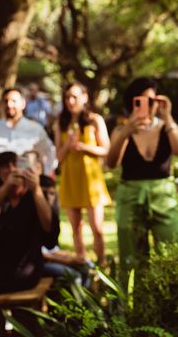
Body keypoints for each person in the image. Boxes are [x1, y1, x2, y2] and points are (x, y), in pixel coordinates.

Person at [105, 77, 178, 279]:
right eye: (139, 101)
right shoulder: (120, 130)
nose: (146, 106)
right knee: (132, 259)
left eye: (151, 101)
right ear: (131, 103)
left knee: (174, 252)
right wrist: (127, 130)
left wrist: (168, 117)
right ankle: (135, 307)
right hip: (130, 196)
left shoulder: (166, 128)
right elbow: (112, 162)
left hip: (164, 197)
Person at [0, 151, 60, 296]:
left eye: (15, 165)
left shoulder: (35, 197)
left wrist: (36, 189)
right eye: (5, 166)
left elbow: (49, 229)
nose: (12, 170)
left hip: (24, 271)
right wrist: (6, 187)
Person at [54, 82, 111, 266]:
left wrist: (84, 147)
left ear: (85, 97)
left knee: (97, 228)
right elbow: (59, 157)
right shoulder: (61, 124)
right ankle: (83, 263)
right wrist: (69, 145)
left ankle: (102, 265)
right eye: (67, 97)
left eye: (74, 97)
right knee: (76, 228)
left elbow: (106, 149)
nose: (70, 101)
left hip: (91, 180)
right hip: (71, 179)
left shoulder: (95, 120)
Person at [0, 87, 56, 184]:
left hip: (26, 187)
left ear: (23, 104)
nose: (9, 104)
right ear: (1, 104)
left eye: (14, 101)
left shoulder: (35, 129)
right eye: (6, 101)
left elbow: (50, 152)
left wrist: (43, 176)